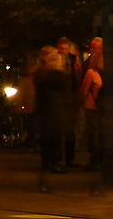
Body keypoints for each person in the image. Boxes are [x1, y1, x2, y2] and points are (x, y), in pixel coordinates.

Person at [35, 48, 72, 178]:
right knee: (57, 141)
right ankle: (57, 163)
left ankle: (47, 163)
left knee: (46, 139)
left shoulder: (43, 79)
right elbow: (68, 97)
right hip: (60, 112)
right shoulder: (64, 79)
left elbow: (40, 97)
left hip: (47, 112)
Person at [57, 37, 84, 167]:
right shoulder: (55, 59)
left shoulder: (73, 59)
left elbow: (77, 75)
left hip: (71, 96)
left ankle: (69, 157)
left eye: (65, 49)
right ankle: (61, 157)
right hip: (61, 98)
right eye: (61, 48)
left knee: (71, 130)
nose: (63, 51)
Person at [81, 50, 104, 172]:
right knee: (99, 135)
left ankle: (94, 162)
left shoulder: (91, 73)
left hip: (91, 106)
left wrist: (80, 101)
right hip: (101, 107)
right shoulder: (103, 74)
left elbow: (84, 90)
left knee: (93, 135)